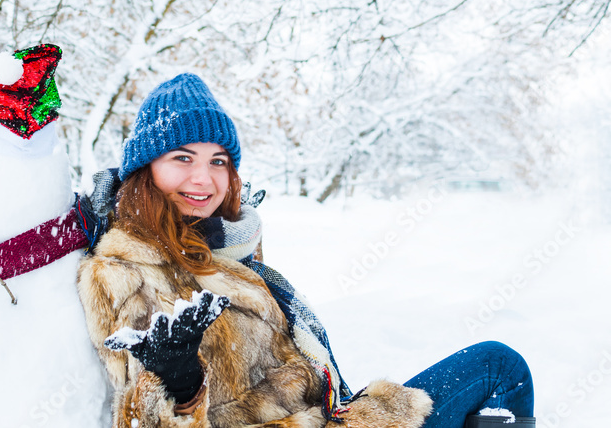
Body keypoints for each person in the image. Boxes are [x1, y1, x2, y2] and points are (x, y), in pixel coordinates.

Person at [76, 73, 534, 428]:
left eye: (218, 161)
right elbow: (138, 417)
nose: (204, 179)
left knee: (499, 366)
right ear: (146, 169)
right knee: (498, 367)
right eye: (183, 158)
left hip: (333, 415)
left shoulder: (224, 251)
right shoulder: (122, 271)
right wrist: (180, 383)